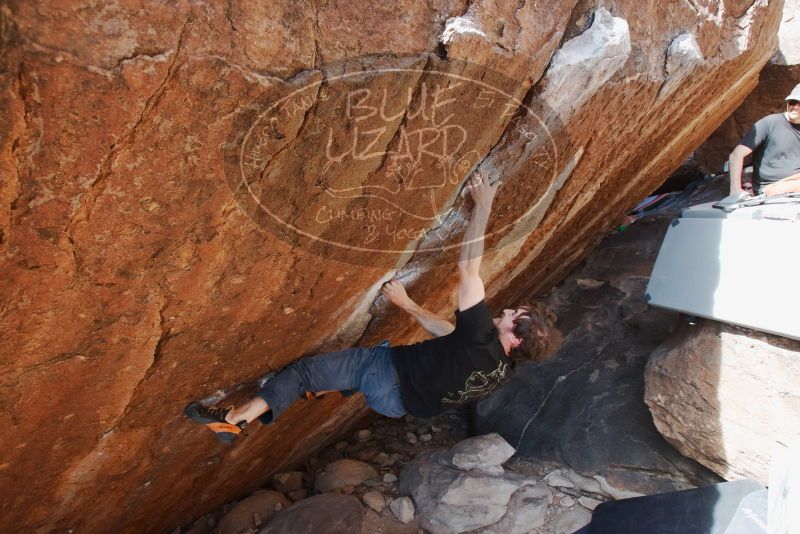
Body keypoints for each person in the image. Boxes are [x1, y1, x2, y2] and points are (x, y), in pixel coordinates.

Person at [185, 171, 557, 443]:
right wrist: (408, 304)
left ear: (516, 338)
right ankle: (338, 382)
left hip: (384, 375)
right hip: (395, 405)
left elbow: (468, 267)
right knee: (368, 367)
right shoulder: (500, 370)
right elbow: (448, 335)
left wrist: (484, 206)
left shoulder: (481, 335)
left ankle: (235, 418)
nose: (506, 312)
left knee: (302, 374)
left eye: (513, 317)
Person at [728, 83, 800, 197]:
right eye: (792, 102)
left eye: (799, 103)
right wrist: (736, 190)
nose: (795, 107)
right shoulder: (769, 123)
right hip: (770, 189)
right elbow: (735, 155)